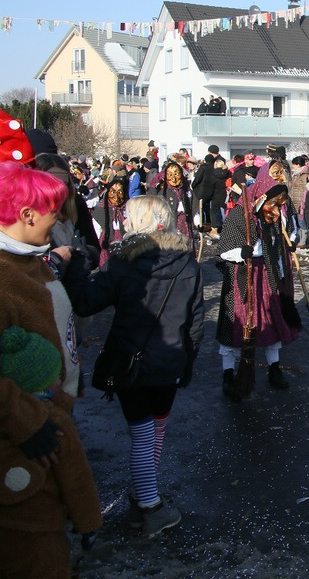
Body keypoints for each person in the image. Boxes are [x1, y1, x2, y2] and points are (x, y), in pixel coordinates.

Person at [64, 195, 203, 537]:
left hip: (131, 361)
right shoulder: (189, 264)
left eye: (128, 217)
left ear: (139, 223)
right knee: (155, 434)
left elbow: (85, 303)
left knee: (143, 437)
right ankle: (145, 496)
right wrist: (186, 361)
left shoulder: (122, 263)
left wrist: (78, 266)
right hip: (170, 361)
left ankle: (149, 504)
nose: (123, 222)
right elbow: (196, 322)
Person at [0, 326, 101, 576]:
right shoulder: (56, 422)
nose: (60, 380)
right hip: (43, 527)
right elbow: (77, 481)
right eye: (56, 377)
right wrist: (88, 523)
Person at [216, 169, 301, 398]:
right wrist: (240, 252)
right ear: (261, 198)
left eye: (279, 204)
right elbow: (223, 251)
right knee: (238, 324)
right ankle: (228, 372)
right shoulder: (239, 216)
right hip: (242, 275)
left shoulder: (271, 219)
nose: (275, 209)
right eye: (273, 203)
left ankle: (274, 368)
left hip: (268, 274)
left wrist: (282, 271)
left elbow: (276, 247)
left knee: (272, 321)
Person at [151, 160, 197, 253]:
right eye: (170, 175)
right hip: (170, 224)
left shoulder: (187, 190)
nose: (174, 179)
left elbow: (194, 204)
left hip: (185, 222)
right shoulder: (163, 193)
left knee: (186, 244)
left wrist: (196, 217)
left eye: (176, 174)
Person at [94, 176, 129, 263]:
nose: (116, 197)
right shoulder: (102, 207)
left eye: (120, 192)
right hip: (107, 238)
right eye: (113, 192)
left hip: (124, 238)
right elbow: (96, 227)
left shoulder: (128, 207)